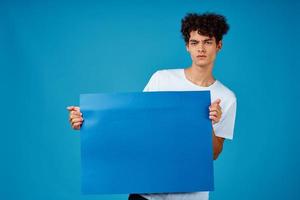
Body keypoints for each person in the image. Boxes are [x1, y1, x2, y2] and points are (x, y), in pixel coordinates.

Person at [67, 12, 236, 200]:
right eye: (195, 42)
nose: (201, 48)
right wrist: (87, 119)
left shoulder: (226, 97)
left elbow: (213, 154)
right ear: (187, 47)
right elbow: (134, 125)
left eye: (208, 42)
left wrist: (210, 123)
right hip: (146, 194)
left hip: (190, 195)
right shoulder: (162, 78)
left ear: (219, 45)